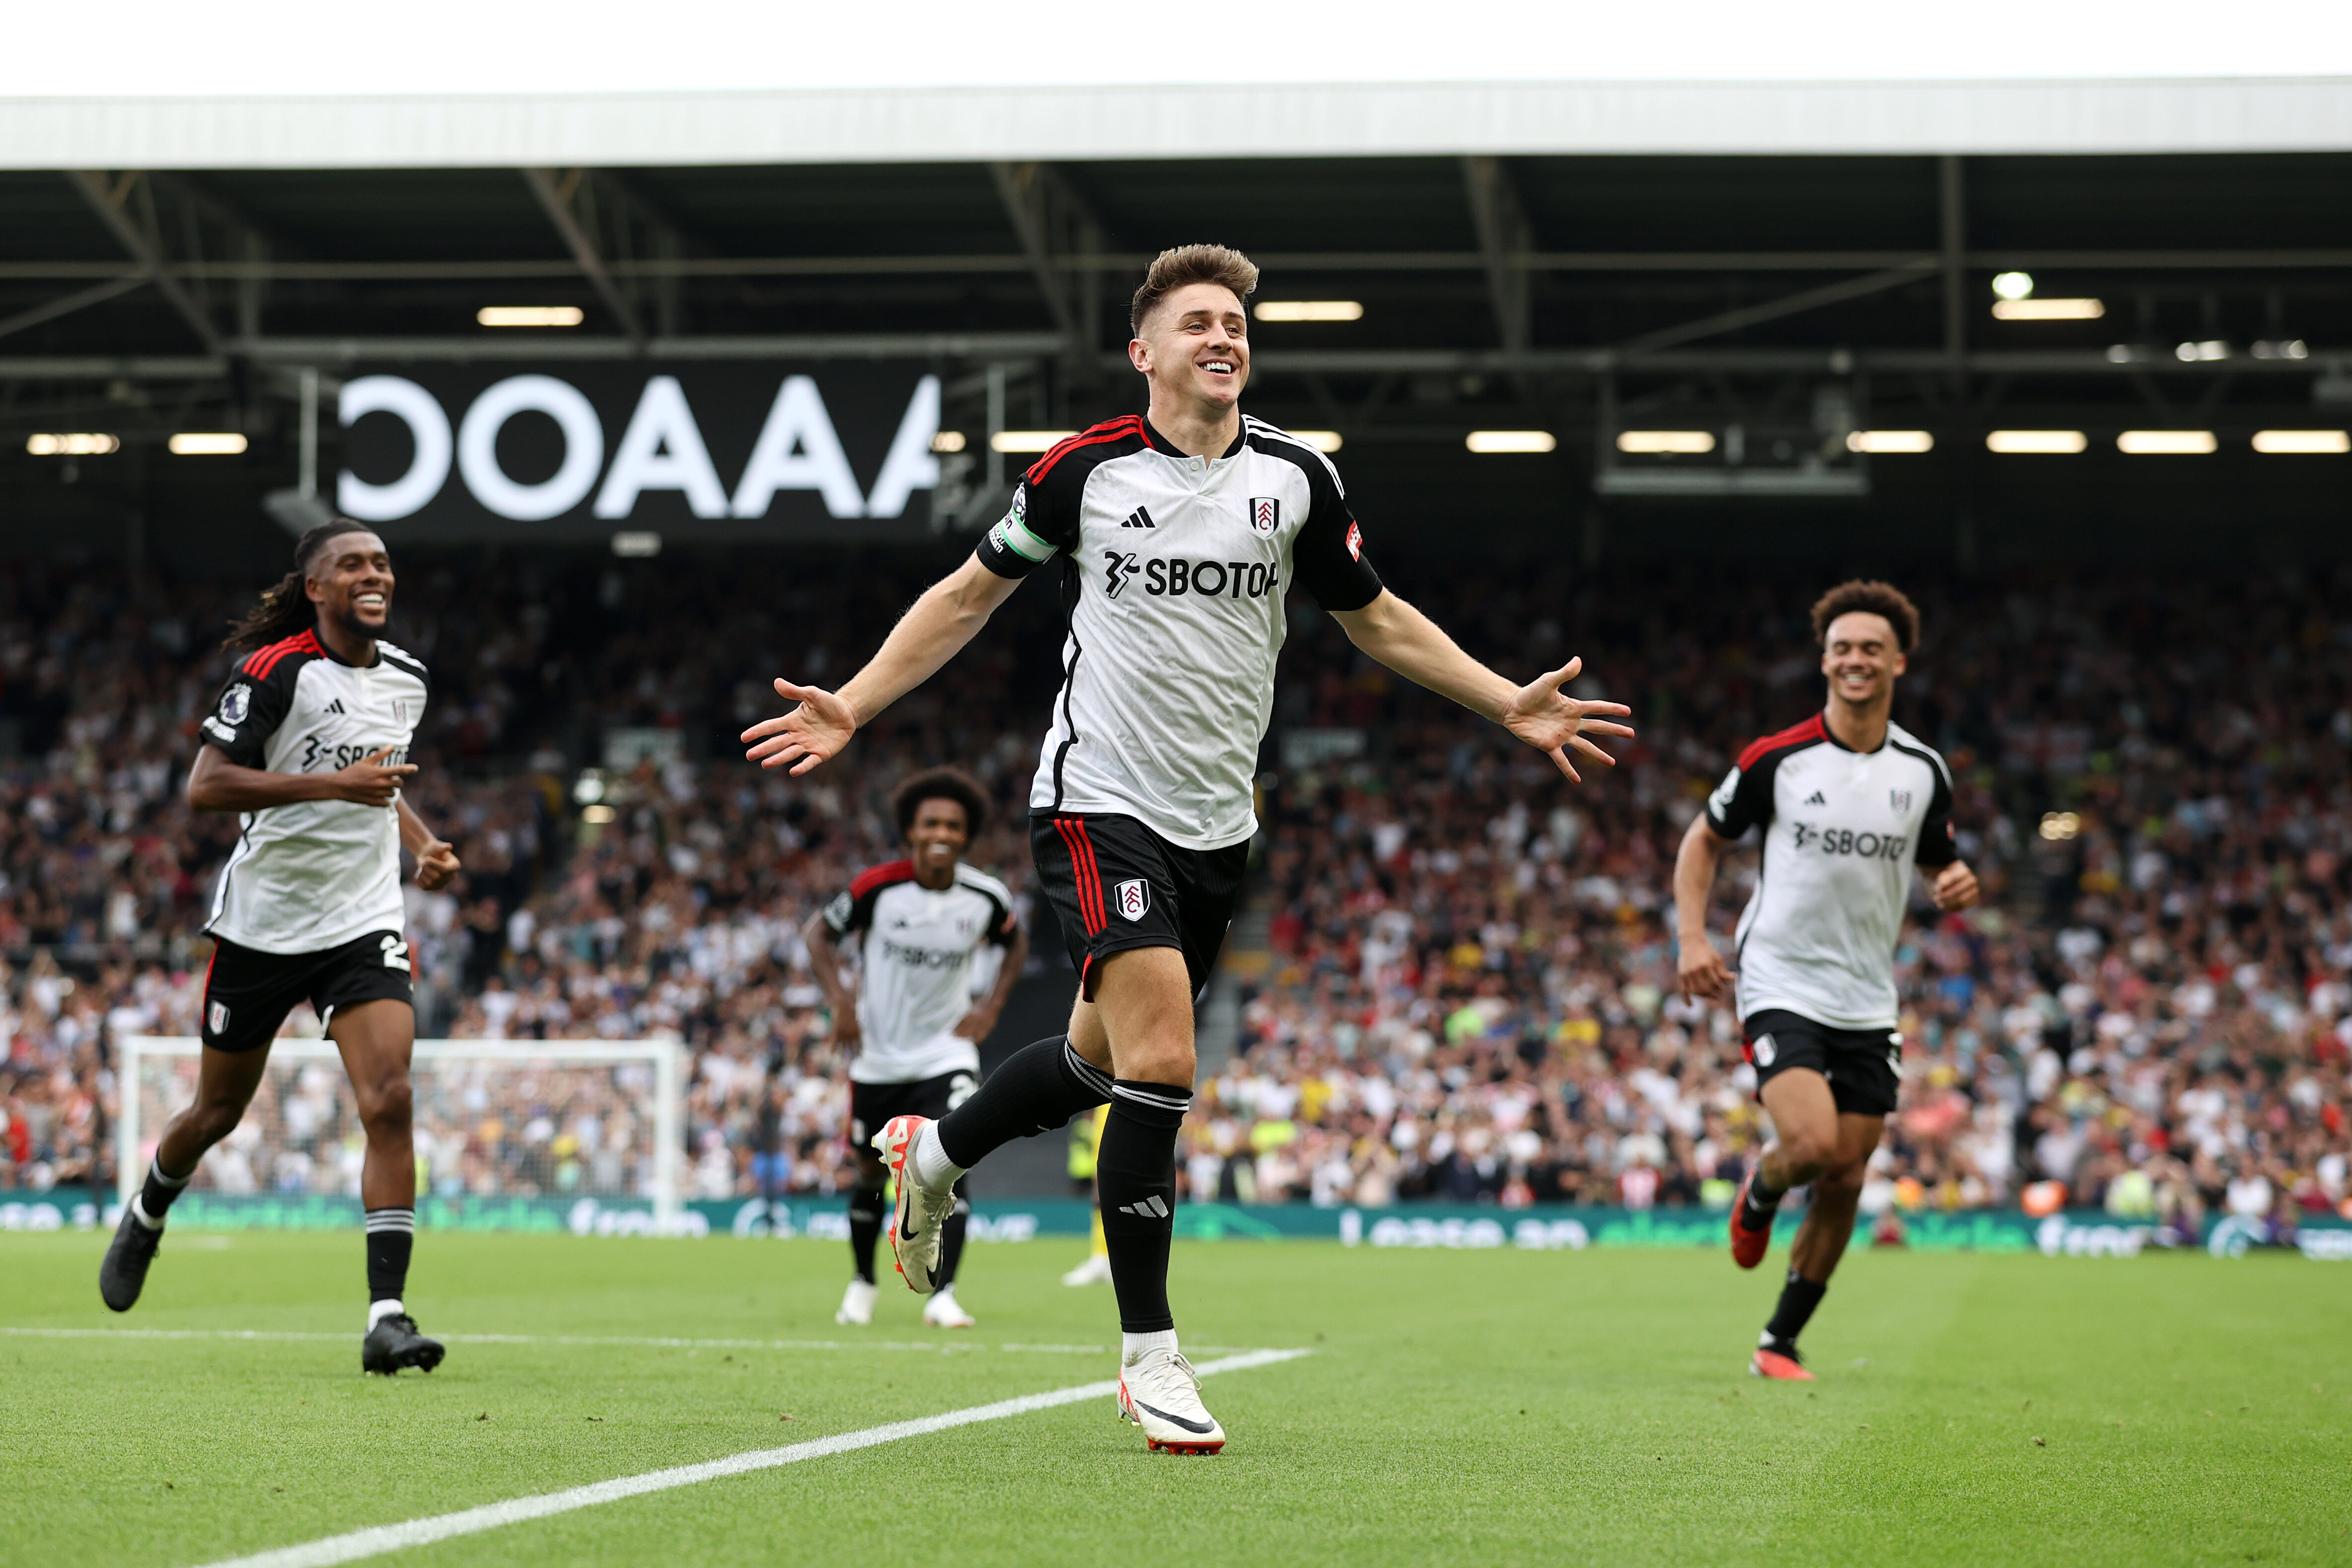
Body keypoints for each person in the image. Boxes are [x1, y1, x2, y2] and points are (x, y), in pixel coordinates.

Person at [744, 243, 1632, 1452]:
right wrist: (852, 702)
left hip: (1220, 822)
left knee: (1090, 1063)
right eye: (1198, 322)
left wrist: (1500, 699)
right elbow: (965, 595)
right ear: (1144, 350)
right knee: (1160, 1061)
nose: (1224, 337)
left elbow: (1372, 618)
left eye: (1237, 324)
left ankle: (934, 1152)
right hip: (1096, 795)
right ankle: (1151, 1357)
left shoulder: (1295, 479)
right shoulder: (1083, 474)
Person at [98, 521, 460, 1376]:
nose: (373, 575)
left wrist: (419, 837)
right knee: (216, 1114)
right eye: (351, 566)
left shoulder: (407, 679)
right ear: (317, 589)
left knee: (391, 1095)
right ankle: (150, 1208)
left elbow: (379, 775)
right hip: (263, 925)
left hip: (361, 918)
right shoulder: (274, 671)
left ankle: (387, 1315)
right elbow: (208, 785)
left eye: (380, 562)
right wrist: (336, 783)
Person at [1672, 579, 1979, 1381]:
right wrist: (1691, 937)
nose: (1855, 659)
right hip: (1779, 975)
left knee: (1846, 1172)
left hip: (1867, 994)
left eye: (1870, 648)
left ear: (1897, 662)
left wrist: (1955, 879)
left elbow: (1941, 858)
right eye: (1842, 647)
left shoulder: (1922, 769)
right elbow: (1703, 841)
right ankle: (1762, 1188)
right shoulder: (1776, 758)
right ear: (1824, 659)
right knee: (1807, 1145)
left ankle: (1778, 1342)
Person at [804, 767, 1026, 1330]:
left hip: (945, 1053)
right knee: (867, 1173)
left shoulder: (985, 896)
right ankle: (862, 1283)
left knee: (954, 1163)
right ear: (910, 829)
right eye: (931, 822)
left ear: (966, 834)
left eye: (953, 825)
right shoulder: (877, 888)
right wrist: (841, 1001)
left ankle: (943, 1294)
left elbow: (1016, 939)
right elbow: (818, 934)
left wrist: (993, 1005)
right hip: (877, 1057)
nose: (942, 833)